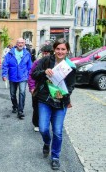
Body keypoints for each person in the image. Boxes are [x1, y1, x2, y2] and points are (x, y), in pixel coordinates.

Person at [32, 38, 76, 170]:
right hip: (45, 99)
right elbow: (34, 74)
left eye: (63, 49)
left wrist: (64, 94)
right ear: (54, 49)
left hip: (60, 102)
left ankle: (55, 157)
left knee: (57, 131)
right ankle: (46, 142)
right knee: (43, 128)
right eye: (58, 49)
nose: (60, 51)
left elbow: (71, 86)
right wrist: (44, 73)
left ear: (67, 50)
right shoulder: (46, 61)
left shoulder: (71, 66)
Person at [2, 38, 32, 119]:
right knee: (12, 94)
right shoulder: (10, 53)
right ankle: (15, 106)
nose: (20, 44)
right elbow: (5, 64)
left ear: (24, 44)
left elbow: (30, 66)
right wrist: (4, 74)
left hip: (23, 76)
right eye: (19, 43)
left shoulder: (27, 54)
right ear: (16, 43)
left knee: (22, 92)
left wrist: (30, 77)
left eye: (22, 43)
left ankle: (20, 111)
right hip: (12, 76)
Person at [28, 44, 54, 132]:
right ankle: (36, 123)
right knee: (36, 107)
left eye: (47, 53)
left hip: (50, 90)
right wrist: (32, 87)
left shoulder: (54, 63)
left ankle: (45, 123)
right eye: (43, 53)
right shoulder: (37, 63)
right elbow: (31, 75)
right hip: (37, 89)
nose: (45, 55)